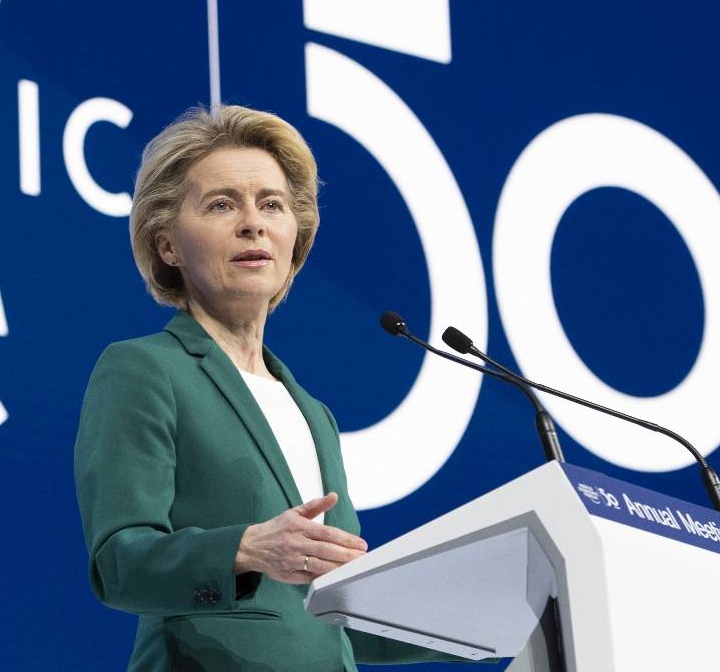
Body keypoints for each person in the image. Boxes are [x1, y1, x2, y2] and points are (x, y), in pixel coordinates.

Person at [74, 105, 474, 670]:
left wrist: (485, 619)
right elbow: (119, 564)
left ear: (294, 239)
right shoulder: (144, 369)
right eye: (221, 204)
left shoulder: (314, 415)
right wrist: (246, 549)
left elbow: (335, 617)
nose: (252, 223)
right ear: (167, 245)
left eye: (272, 204)